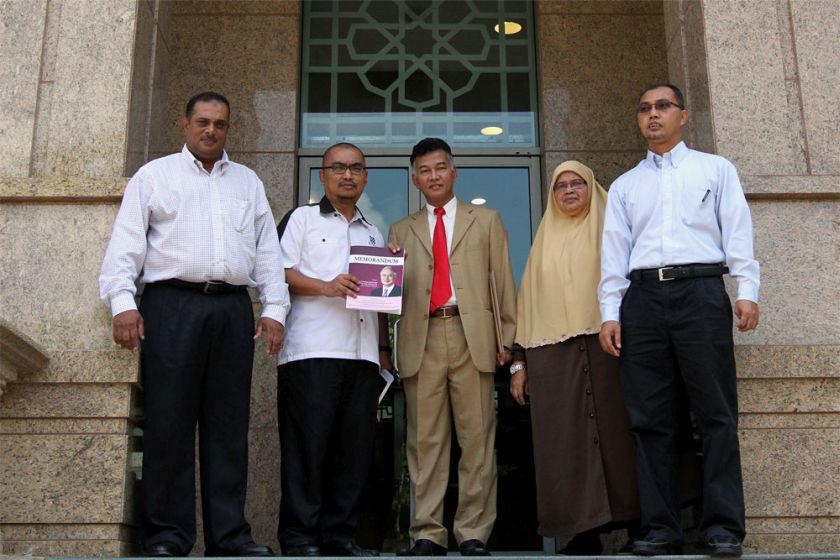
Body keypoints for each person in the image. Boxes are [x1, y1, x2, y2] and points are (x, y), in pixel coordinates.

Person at [99, 91, 288, 557]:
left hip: (230, 311)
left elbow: (268, 252)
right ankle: (167, 535)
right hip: (171, 305)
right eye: (202, 122)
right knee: (169, 423)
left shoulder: (247, 182)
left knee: (228, 427)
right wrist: (123, 303)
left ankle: (229, 538)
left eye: (220, 124)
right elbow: (125, 244)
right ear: (185, 125)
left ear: (228, 129)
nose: (211, 131)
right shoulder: (155, 176)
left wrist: (274, 310)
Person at [598, 83, 760, 558]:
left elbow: (738, 231)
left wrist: (746, 291)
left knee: (715, 413)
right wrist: (611, 312)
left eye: (663, 107)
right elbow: (614, 255)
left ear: (683, 116)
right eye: (644, 108)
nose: (653, 115)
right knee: (650, 419)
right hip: (643, 299)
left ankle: (723, 528)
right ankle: (661, 529)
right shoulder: (627, 185)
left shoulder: (715, 170)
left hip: (702, 292)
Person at [388, 138, 516, 557]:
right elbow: (391, 296)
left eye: (440, 167)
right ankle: (427, 532)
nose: (433, 176)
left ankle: (474, 531)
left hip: (471, 334)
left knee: (478, 437)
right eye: (424, 170)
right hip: (421, 338)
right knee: (424, 441)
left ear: (454, 171)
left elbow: (502, 283)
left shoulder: (487, 219)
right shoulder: (400, 230)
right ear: (414, 178)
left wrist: (507, 340)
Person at [509, 161, 639, 555]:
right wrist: (519, 364)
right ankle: (584, 534)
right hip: (555, 358)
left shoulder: (613, 232)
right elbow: (527, 304)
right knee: (567, 445)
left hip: (611, 350)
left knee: (624, 438)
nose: (568, 191)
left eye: (577, 183)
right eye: (561, 186)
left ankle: (642, 524)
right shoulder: (543, 242)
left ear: (591, 187)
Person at [275, 143, 392, 557]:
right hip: (312, 351)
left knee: (353, 452)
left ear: (364, 177)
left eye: (356, 168)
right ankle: (299, 538)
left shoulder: (373, 231)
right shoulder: (301, 219)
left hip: (361, 357)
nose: (348, 175)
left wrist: (383, 350)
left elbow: (377, 298)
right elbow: (277, 272)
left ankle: (339, 537)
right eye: (338, 168)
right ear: (322, 176)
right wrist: (326, 285)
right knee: (308, 450)